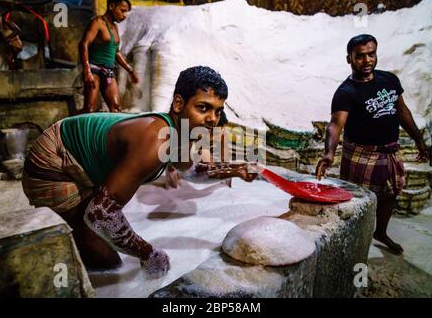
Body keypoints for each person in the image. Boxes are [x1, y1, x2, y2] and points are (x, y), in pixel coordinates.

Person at [22, 66, 257, 276]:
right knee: (105, 261)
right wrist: (148, 253)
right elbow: (100, 215)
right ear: (178, 104)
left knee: (103, 249)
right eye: (203, 108)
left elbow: (192, 171)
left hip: (79, 155)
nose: (212, 120)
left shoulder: (183, 133)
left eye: (217, 111)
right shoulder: (156, 139)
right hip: (53, 162)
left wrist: (236, 169)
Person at [315, 34, 429, 255]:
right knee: (357, 201)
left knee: (390, 195)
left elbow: (402, 111)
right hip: (361, 154)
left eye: (371, 54)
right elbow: (335, 124)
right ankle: (353, 242)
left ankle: (381, 232)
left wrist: (419, 140)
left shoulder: (389, 80)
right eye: (360, 56)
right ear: (349, 59)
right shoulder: (346, 93)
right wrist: (329, 153)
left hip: (390, 151)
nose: (367, 60)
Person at [79, 0, 138, 113]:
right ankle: (81, 130)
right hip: (94, 69)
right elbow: (83, 44)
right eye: (122, 10)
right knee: (89, 108)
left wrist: (130, 70)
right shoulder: (97, 22)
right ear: (111, 6)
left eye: (126, 12)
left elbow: (116, 52)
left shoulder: (115, 28)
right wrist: (87, 71)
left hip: (109, 71)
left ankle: (110, 131)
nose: (125, 15)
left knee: (116, 108)